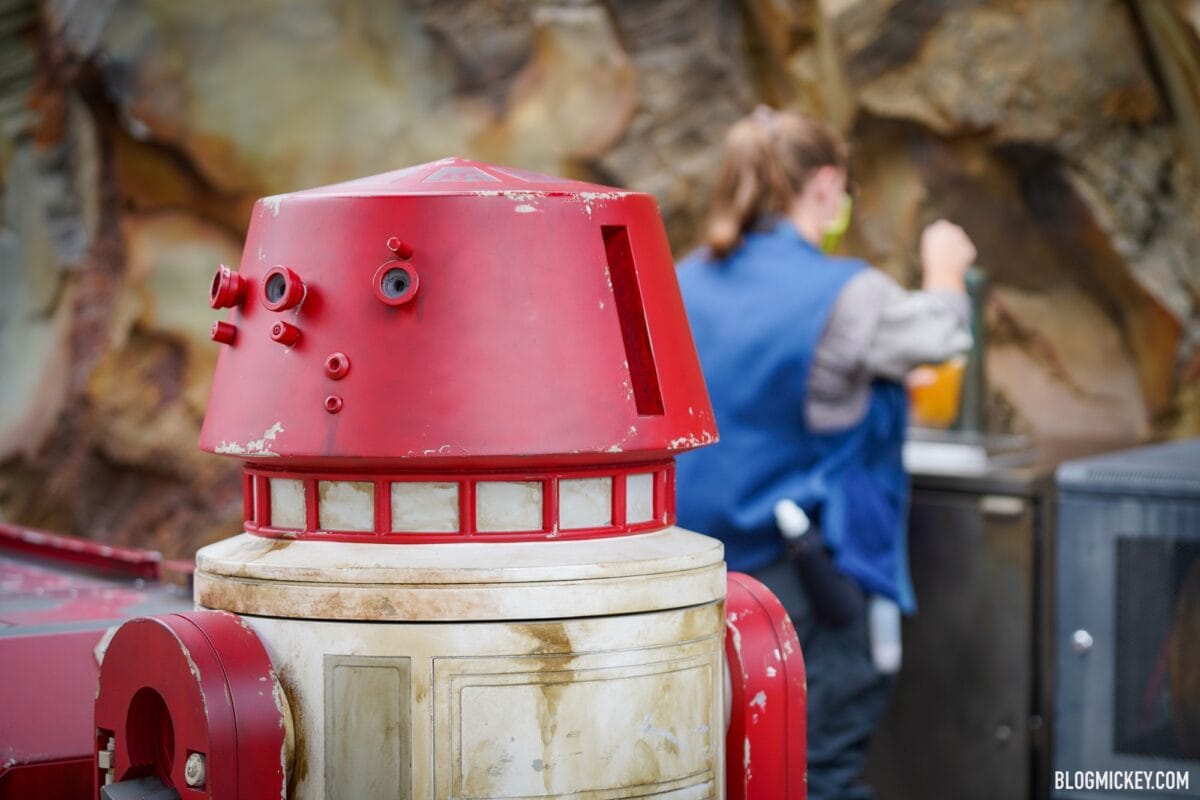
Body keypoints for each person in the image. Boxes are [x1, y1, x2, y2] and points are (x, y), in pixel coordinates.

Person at [675, 106, 977, 800]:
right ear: (826, 184)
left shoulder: (681, 282)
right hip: (810, 592)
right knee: (820, 772)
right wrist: (945, 267)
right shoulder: (847, 295)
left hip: (694, 587)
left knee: (717, 770)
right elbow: (938, 337)